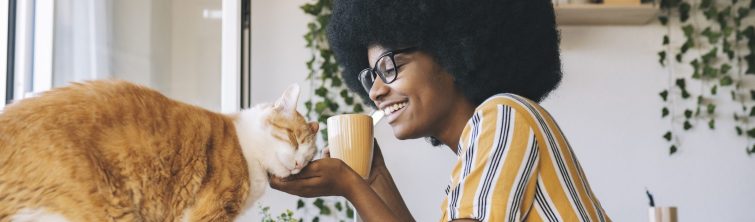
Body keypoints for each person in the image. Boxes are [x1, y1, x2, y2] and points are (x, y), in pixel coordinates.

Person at [270, 0, 611, 221]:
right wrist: (372, 179)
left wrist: (349, 186)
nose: (374, 90)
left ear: (453, 55)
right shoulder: (472, 162)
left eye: (391, 66)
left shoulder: (506, 115)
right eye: (370, 75)